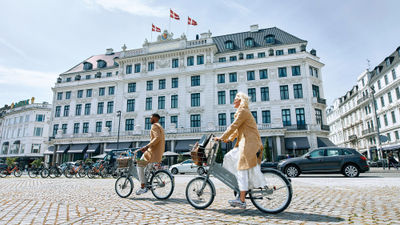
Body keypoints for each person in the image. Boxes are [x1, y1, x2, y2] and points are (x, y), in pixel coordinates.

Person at [214, 92, 266, 209]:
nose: (234, 102)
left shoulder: (243, 111)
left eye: (235, 100)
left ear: (241, 101)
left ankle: (242, 200)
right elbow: (237, 130)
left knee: (241, 169)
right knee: (229, 157)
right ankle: (239, 185)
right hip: (245, 142)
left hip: (249, 143)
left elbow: (233, 126)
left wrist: (222, 137)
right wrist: (229, 139)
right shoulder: (242, 112)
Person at [136, 113, 165, 195]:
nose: (150, 119)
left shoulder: (154, 126)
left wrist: (147, 146)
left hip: (152, 151)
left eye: (151, 118)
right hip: (157, 151)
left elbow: (157, 137)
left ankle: (143, 186)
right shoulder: (160, 126)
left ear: (155, 119)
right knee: (147, 169)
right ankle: (147, 184)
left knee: (140, 165)